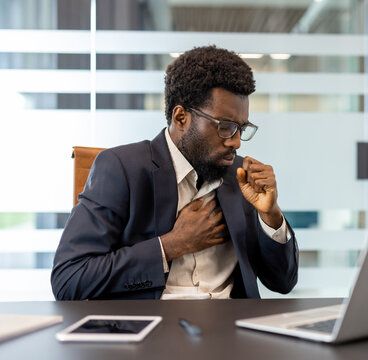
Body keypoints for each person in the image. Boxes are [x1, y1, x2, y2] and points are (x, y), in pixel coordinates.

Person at [51, 45, 298, 300]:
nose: (236, 143)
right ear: (181, 118)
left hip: (231, 329)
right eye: (225, 127)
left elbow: (283, 282)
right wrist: (171, 245)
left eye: (241, 129)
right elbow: (69, 280)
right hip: (154, 330)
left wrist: (270, 215)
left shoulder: (242, 178)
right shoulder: (121, 169)